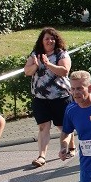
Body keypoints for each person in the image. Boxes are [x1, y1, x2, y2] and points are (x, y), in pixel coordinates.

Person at [24, 27, 72, 167]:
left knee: (63, 127)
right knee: (43, 127)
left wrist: (48, 64)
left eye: (52, 38)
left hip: (60, 97)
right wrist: (36, 65)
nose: (50, 41)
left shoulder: (61, 54)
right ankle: (41, 156)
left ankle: (67, 147)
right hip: (40, 98)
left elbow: (64, 71)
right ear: (42, 41)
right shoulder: (35, 54)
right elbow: (27, 71)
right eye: (47, 39)